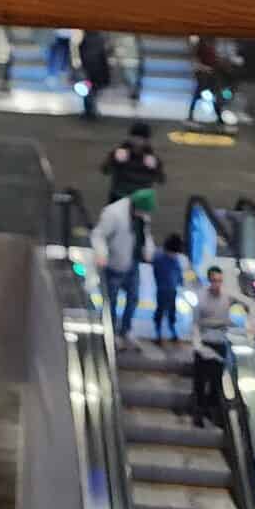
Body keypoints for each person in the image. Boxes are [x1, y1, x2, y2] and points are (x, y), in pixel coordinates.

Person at [91, 185, 154, 342]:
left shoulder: (141, 215)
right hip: (113, 264)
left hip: (132, 262)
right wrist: (101, 254)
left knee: (133, 298)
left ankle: (126, 329)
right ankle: (110, 330)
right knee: (111, 299)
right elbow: (98, 235)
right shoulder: (113, 214)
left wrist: (148, 250)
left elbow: (144, 234)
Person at [188, 265, 236, 428]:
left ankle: (209, 410)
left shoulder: (226, 297)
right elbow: (195, 323)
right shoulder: (201, 298)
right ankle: (199, 413)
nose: (217, 284)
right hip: (205, 343)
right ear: (209, 280)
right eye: (214, 281)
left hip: (219, 343)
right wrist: (197, 345)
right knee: (200, 381)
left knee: (216, 381)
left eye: (220, 281)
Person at [104, 122, 164, 203]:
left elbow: (161, 180)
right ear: (129, 137)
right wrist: (114, 160)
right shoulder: (119, 153)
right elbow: (105, 170)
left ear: (147, 140)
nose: (137, 141)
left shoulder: (152, 159)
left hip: (141, 200)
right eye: (134, 137)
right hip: (119, 196)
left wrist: (155, 168)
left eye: (141, 138)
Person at [150, 230, 186, 343]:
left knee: (171, 311)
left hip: (171, 289)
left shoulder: (174, 258)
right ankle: (158, 333)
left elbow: (178, 271)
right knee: (160, 310)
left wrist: (180, 280)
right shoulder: (159, 256)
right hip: (162, 289)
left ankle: (171, 331)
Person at [77, 30, 111, 119]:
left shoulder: (88, 40)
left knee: (89, 92)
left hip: (91, 69)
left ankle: (90, 110)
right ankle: (91, 110)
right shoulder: (98, 40)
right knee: (91, 92)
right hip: (95, 69)